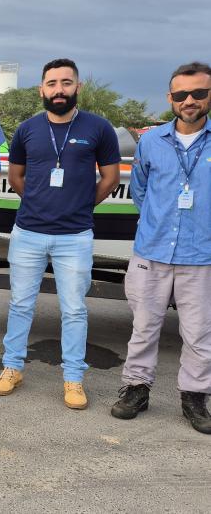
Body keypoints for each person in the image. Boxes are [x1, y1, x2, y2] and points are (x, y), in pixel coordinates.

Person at [0, 58, 120, 409]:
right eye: (52, 83)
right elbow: (16, 177)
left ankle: (74, 378)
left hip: (75, 236)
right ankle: (11, 367)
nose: (58, 90)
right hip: (28, 232)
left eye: (66, 83)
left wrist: (80, 205)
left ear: (77, 87)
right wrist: (37, 202)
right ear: (42, 89)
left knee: (75, 309)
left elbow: (109, 178)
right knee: (19, 304)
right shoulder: (28, 129)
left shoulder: (99, 128)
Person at [111, 62, 211, 434]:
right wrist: (157, 219)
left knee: (200, 332)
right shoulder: (152, 141)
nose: (190, 100)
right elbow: (140, 189)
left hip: (202, 255)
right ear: (170, 98)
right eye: (182, 94)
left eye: (199, 93)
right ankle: (136, 388)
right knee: (144, 326)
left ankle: (195, 397)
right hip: (152, 250)